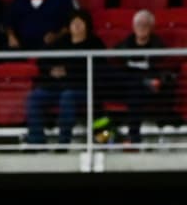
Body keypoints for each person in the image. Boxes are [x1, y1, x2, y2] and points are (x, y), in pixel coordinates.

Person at [26, 10, 104, 147]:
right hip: (57, 87)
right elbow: (42, 61)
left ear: (87, 25)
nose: (77, 26)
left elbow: (97, 69)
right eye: (74, 23)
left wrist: (67, 71)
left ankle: (63, 142)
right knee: (35, 97)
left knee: (67, 96)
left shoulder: (95, 43)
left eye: (80, 23)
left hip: (82, 89)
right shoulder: (62, 41)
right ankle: (36, 140)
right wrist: (52, 70)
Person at [108, 10, 173, 145]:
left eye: (145, 24)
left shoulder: (158, 46)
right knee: (128, 83)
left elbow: (162, 70)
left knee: (136, 89)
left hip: (149, 89)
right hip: (126, 86)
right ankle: (114, 134)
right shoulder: (125, 44)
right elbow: (112, 58)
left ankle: (133, 137)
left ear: (151, 27)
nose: (141, 27)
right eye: (138, 24)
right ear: (133, 26)